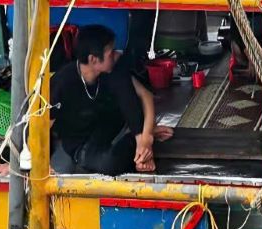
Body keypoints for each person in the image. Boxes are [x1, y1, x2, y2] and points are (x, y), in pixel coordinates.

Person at [50, 25, 172, 175]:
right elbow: (42, 125)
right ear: (93, 59)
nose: (116, 55)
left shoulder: (112, 69)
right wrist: (41, 163)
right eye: (110, 53)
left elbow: (145, 95)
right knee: (105, 165)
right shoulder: (63, 82)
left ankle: (140, 143)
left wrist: (145, 140)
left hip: (109, 128)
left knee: (123, 86)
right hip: (78, 141)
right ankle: (135, 143)